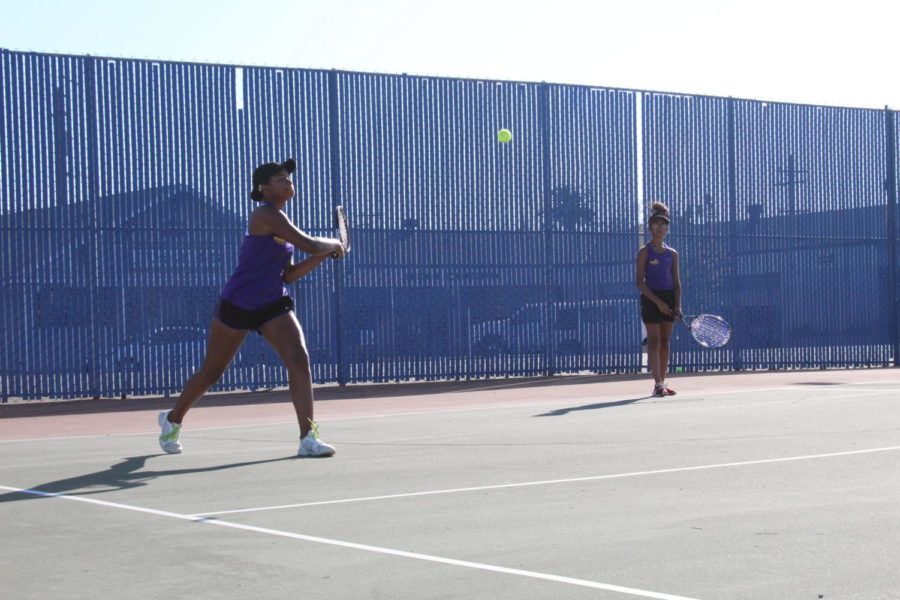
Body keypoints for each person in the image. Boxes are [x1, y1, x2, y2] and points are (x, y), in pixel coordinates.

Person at [158, 158, 346, 457]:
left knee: (299, 359)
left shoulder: (283, 226)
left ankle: (308, 438)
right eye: (280, 179)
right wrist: (333, 245)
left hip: (273, 302)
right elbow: (310, 243)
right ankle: (172, 418)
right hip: (239, 303)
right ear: (264, 188)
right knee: (211, 373)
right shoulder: (264, 214)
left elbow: (289, 275)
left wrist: (324, 255)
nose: (288, 182)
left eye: (289, 178)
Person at [636, 202, 682, 397]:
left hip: (669, 298)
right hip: (650, 298)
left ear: (667, 228)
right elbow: (639, 282)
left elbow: (677, 283)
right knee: (654, 341)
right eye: (656, 223)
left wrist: (676, 306)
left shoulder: (673, 254)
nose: (660, 227)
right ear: (650, 228)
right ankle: (658, 384)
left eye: (664, 224)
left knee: (665, 341)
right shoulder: (644, 252)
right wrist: (658, 303)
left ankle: (663, 381)